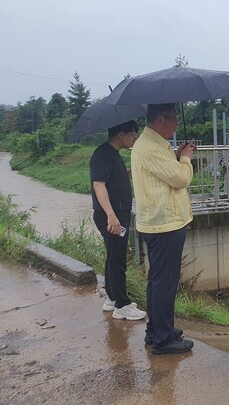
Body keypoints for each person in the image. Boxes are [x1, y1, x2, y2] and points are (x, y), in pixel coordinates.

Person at [131, 104, 195, 355]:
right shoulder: (150, 147)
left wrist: (177, 156)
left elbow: (166, 173)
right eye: (173, 120)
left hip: (159, 222)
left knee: (157, 281)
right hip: (164, 224)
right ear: (160, 119)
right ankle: (164, 339)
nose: (176, 125)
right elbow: (180, 179)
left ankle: (156, 330)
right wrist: (186, 158)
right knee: (164, 282)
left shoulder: (152, 145)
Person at [90, 120, 146, 321]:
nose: (134, 138)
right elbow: (99, 186)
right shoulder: (103, 154)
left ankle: (112, 298)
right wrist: (111, 216)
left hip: (116, 214)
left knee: (112, 256)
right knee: (118, 259)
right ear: (121, 134)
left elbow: (121, 177)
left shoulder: (113, 155)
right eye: (132, 134)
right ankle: (122, 305)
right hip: (111, 216)